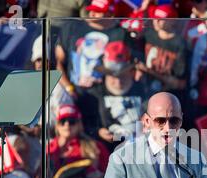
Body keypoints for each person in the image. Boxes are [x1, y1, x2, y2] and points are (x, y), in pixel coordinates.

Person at [55, 0, 130, 136]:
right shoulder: (72, 27)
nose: (92, 13)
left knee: (107, 138)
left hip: (105, 100)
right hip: (74, 94)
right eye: (91, 9)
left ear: (110, 13)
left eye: (98, 10)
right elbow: (57, 61)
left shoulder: (121, 33)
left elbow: (125, 67)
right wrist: (68, 88)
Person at [91, 40, 147, 147]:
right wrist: (99, 132)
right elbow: (86, 126)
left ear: (131, 71)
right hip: (110, 151)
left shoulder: (144, 90)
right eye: (113, 76)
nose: (118, 82)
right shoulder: (95, 94)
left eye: (122, 75)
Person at [136, 4, 188, 99]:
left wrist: (150, 72)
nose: (156, 22)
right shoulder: (149, 35)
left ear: (172, 21)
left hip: (169, 93)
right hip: (146, 87)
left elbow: (179, 82)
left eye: (161, 19)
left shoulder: (179, 43)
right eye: (155, 18)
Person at [48, 104, 110, 178]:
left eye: (72, 121)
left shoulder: (96, 147)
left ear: (79, 124)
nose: (67, 124)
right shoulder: (48, 148)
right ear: (57, 125)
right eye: (63, 121)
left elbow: (109, 176)